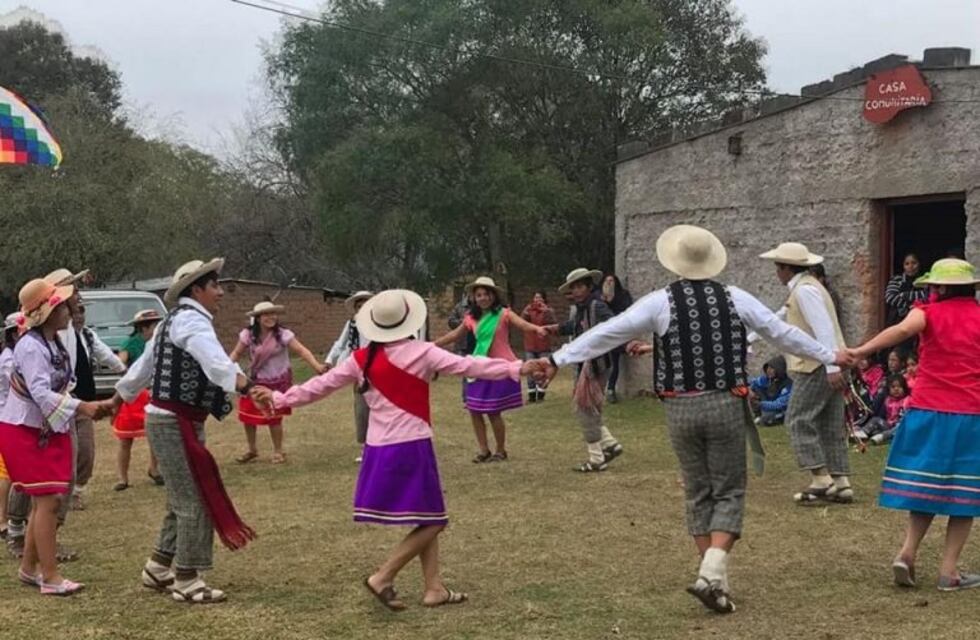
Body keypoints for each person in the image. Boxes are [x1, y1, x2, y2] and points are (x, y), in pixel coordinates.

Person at [535, 225, 845, 614]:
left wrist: (554, 359)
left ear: (676, 264)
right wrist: (831, 354)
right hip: (725, 404)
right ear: (712, 262)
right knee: (729, 490)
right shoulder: (735, 298)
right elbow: (781, 334)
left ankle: (714, 580)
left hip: (679, 409)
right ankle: (712, 570)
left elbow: (608, 332)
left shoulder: (660, 302)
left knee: (698, 491)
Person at [251, 289, 541, 611]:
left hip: (379, 449)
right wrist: (516, 369)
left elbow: (320, 386)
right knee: (434, 521)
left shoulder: (360, 359)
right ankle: (383, 576)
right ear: (408, 321)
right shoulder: (422, 352)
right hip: (412, 445)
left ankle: (434, 588)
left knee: (428, 513)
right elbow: (470, 366)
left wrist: (279, 399)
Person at [109, 258, 255, 604]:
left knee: (181, 498)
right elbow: (216, 362)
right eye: (214, 285)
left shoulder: (170, 322)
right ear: (196, 289)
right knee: (194, 500)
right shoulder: (191, 321)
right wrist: (248, 386)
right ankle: (187, 578)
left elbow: (145, 366)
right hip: (175, 422)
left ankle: (159, 567)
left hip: (172, 420)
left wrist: (118, 396)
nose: (220, 292)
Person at [844, 258, 980, 591]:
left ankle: (907, 553)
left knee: (926, 488)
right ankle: (949, 572)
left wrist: (860, 350)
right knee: (964, 495)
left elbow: (902, 330)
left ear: (941, 288)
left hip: (926, 411)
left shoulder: (926, 313)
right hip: (970, 414)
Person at [0, 279, 110, 596]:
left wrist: (85, 406)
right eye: (62, 305)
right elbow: (40, 393)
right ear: (47, 312)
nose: (69, 309)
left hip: (44, 429)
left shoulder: (53, 343)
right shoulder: (31, 346)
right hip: (25, 430)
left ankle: (29, 568)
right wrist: (83, 406)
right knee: (47, 502)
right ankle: (50, 576)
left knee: (46, 502)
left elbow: (59, 387)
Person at [759, 243, 853, 505]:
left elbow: (823, 329)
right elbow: (775, 321)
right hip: (827, 363)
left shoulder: (805, 291)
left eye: (778, 268)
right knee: (829, 422)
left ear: (786, 268)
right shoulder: (807, 288)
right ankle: (841, 481)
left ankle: (820, 477)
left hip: (815, 366)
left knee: (797, 419)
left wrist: (831, 366)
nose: (777, 273)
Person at [434, 277, 547, 463]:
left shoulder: (503, 314)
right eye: (479, 295)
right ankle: (483, 450)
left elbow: (522, 324)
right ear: (474, 298)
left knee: (494, 411)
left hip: (500, 367)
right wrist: (434, 344)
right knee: (474, 409)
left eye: (486, 294)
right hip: (479, 367)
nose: (483, 298)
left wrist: (537, 329)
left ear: (493, 296)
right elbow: (455, 334)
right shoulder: (471, 317)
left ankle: (500, 451)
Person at [45, 268, 127, 512]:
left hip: (80, 402)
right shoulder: (50, 332)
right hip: (59, 404)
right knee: (59, 459)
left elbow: (108, 357)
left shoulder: (85, 335)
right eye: (74, 291)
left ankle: (72, 494)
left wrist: (127, 372)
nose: (79, 306)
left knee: (85, 452)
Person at [546, 268, 624, 472]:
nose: (578, 290)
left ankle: (597, 458)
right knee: (589, 408)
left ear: (589, 287)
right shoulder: (583, 308)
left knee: (584, 408)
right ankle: (610, 444)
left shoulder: (597, 306)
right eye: (574, 287)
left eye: (581, 286)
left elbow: (615, 325)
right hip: (590, 363)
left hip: (596, 363)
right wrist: (557, 329)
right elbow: (576, 326)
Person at [229, 301, 325, 464]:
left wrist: (317, 366)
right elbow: (237, 353)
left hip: (276, 381)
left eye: (273, 313)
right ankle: (252, 450)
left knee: (274, 418)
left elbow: (301, 350)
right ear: (258, 318)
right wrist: (224, 368)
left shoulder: (282, 334)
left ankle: (278, 451)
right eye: (266, 314)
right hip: (255, 381)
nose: (271, 317)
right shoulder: (248, 335)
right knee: (247, 416)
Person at [111, 310, 164, 491]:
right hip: (133, 396)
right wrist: (128, 376)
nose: (157, 328)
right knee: (126, 440)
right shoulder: (131, 343)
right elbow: (120, 362)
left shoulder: (157, 343)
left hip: (151, 394)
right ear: (143, 327)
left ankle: (154, 469)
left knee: (155, 436)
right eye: (154, 325)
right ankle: (122, 478)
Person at [325, 291, 374, 460]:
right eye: (359, 307)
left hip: (379, 368)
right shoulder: (352, 325)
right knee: (361, 409)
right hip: (359, 369)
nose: (362, 310)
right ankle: (365, 448)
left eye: (366, 305)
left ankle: (378, 446)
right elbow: (341, 343)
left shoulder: (380, 324)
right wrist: (330, 360)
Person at [0, 313, 21, 541]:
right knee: (6, 471)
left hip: (10, 418)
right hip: (6, 418)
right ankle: (2, 519)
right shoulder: (8, 359)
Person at [601, 273, 633, 403]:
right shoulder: (600, 299)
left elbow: (628, 310)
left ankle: (611, 389)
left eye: (612, 281)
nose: (609, 283)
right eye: (607, 281)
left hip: (619, 333)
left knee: (614, 362)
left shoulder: (623, 295)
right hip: (605, 333)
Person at [520, 291, 555, 403]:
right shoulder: (529, 309)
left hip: (544, 345)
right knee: (530, 369)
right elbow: (521, 323)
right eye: (535, 297)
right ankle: (531, 395)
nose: (537, 300)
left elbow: (554, 323)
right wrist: (525, 313)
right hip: (530, 344)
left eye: (540, 298)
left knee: (543, 370)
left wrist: (548, 312)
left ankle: (540, 395)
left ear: (544, 299)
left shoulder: (548, 310)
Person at [855, 374, 909, 445]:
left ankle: (882, 436)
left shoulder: (907, 401)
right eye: (893, 387)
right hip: (888, 425)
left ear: (904, 388)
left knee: (898, 428)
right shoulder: (888, 401)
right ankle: (863, 432)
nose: (896, 389)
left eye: (899, 387)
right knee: (876, 420)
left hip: (899, 426)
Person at [885, 253, 928, 326]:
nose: (910, 267)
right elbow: (890, 297)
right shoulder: (897, 280)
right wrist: (910, 306)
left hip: (918, 322)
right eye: (907, 264)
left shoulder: (925, 281)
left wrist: (904, 295)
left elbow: (928, 296)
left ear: (919, 264)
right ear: (903, 266)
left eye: (914, 263)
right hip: (897, 321)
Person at [748, 356, 792, 426]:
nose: (768, 370)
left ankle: (764, 418)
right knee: (755, 387)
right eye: (768, 368)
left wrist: (761, 404)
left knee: (767, 419)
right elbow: (754, 382)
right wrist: (750, 391)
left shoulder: (788, 385)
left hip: (779, 410)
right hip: (766, 405)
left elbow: (779, 404)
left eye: (771, 368)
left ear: (779, 370)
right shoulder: (766, 379)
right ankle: (758, 415)